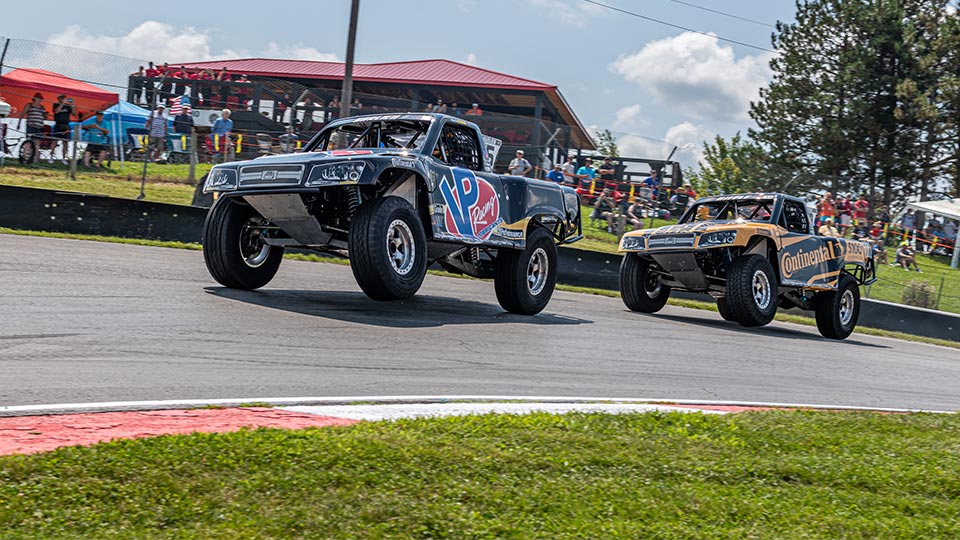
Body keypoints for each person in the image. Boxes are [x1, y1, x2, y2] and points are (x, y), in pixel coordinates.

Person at [51, 94, 74, 164]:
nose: (63, 99)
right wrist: (62, 104)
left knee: (65, 142)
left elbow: (74, 114)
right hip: (58, 125)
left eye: (64, 98)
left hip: (66, 126)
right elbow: (56, 111)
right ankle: (51, 156)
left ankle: (64, 158)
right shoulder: (55, 104)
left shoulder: (68, 106)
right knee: (55, 141)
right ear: (59, 99)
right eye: (62, 98)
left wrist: (73, 105)